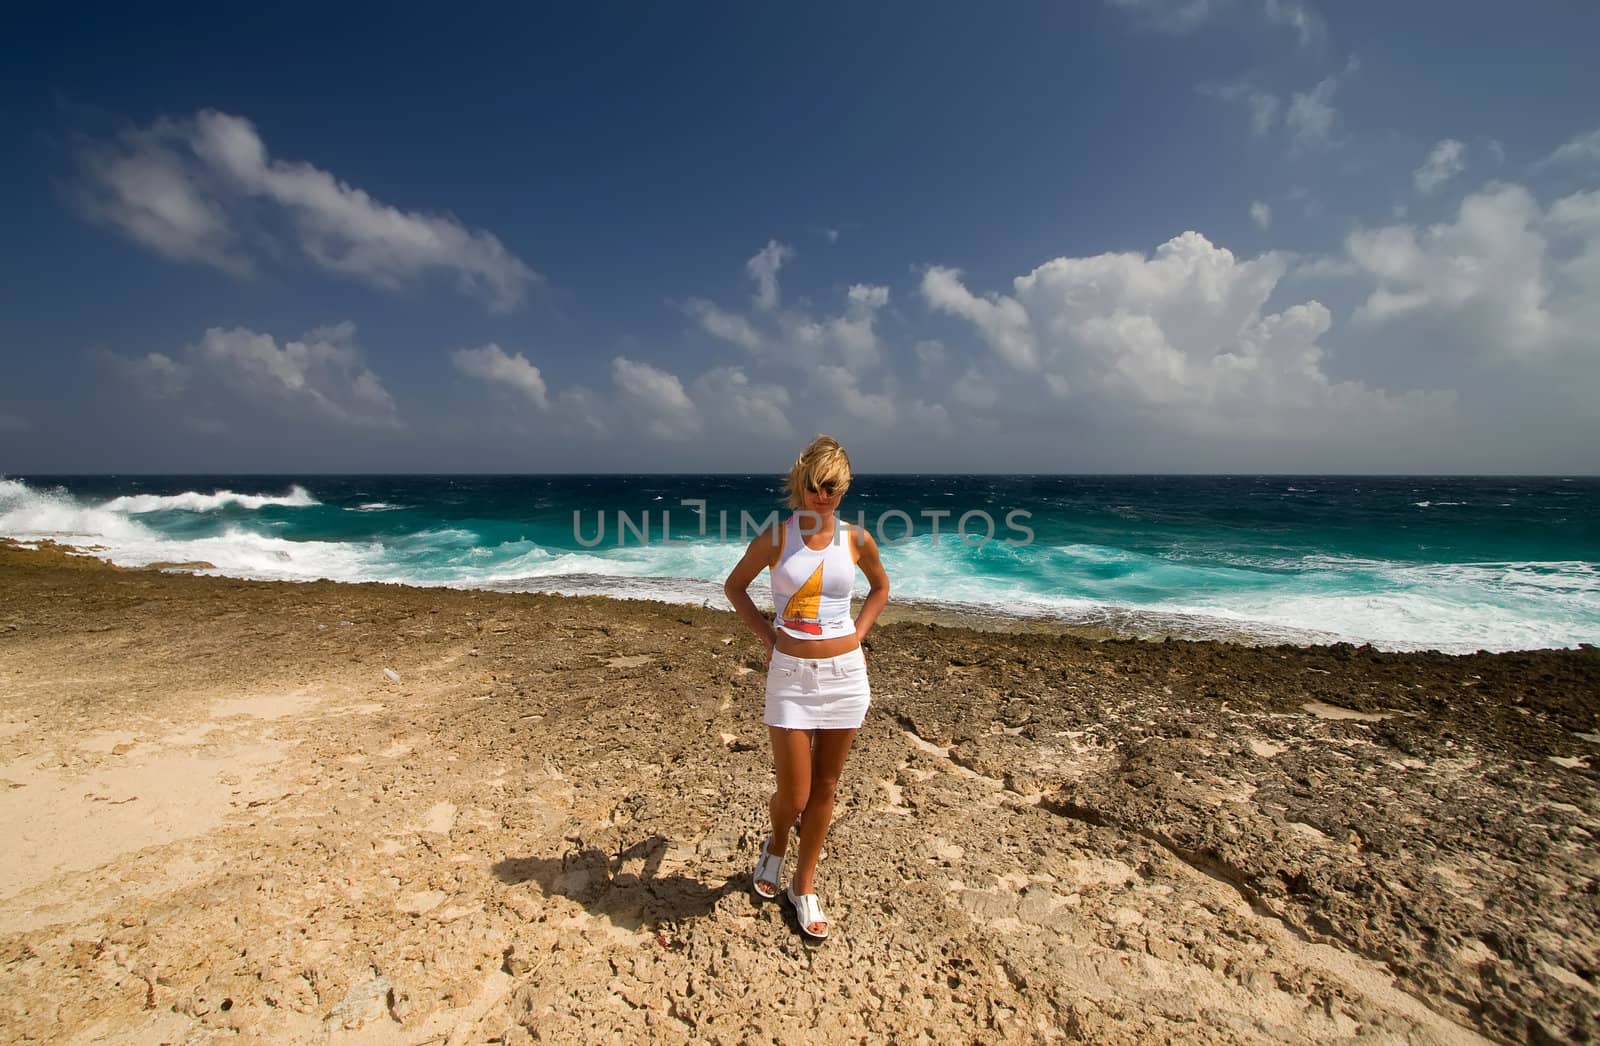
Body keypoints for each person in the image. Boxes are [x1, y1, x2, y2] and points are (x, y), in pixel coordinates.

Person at [723, 435, 889, 941]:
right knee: (794, 793)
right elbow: (734, 587)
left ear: (845, 488)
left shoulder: (857, 540)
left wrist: (858, 635)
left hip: (845, 678)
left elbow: (880, 588)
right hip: (790, 679)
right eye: (817, 486)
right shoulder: (776, 538)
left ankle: (804, 882)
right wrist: (769, 637)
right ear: (802, 484)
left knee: (826, 788)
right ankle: (775, 846)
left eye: (835, 487)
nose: (825, 495)